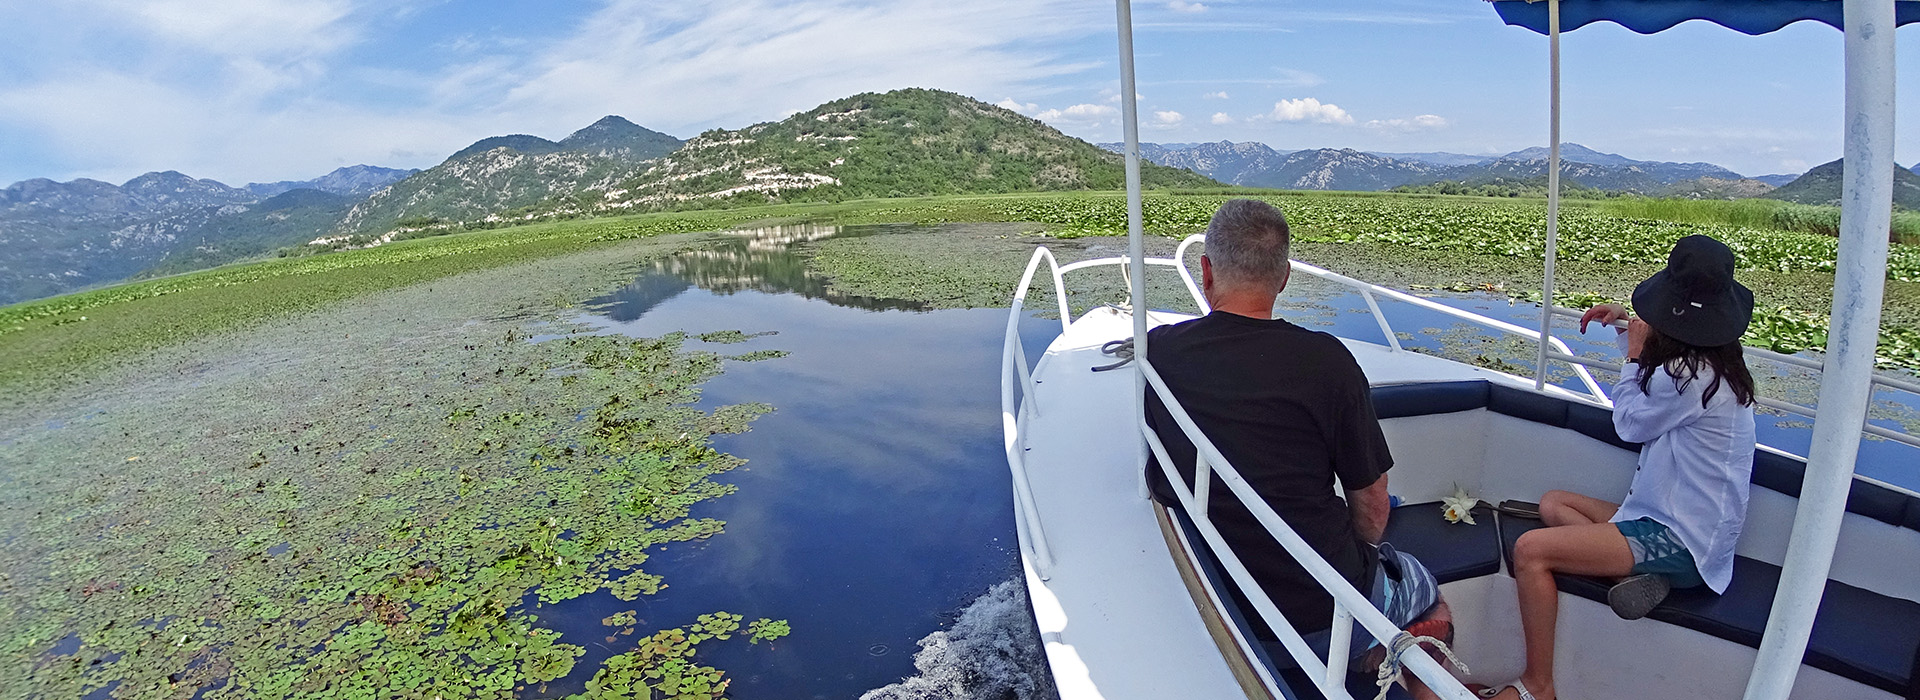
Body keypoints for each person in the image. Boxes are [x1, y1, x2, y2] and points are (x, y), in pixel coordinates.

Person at [1143, 198, 1452, 698]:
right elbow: (1372, 505)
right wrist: (1362, 556)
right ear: (1284, 277)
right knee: (1432, 603)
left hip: (1217, 593)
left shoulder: (1158, 352)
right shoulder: (1327, 363)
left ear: (1205, 271)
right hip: (1316, 610)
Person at [1486, 234, 1758, 700]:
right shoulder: (1708, 365)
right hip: (1667, 520)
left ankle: (1538, 685)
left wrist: (1632, 354)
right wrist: (1624, 325)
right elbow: (1662, 369)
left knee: (1531, 550)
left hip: (1682, 541)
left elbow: (1631, 422)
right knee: (1554, 504)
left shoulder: (1695, 381)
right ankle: (1637, 578)